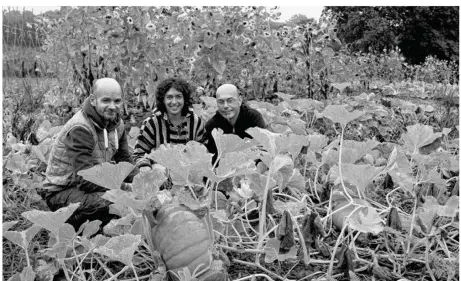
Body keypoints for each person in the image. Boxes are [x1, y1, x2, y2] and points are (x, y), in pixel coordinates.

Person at [41, 78, 135, 231]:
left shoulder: (117, 124)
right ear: (93, 100)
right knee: (115, 202)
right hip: (63, 192)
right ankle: (78, 227)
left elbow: (124, 160)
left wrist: (143, 182)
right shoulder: (80, 128)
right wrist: (126, 188)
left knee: (128, 200)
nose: (112, 106)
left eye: (117, 101)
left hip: (92, 185)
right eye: (106, 100)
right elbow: (85, 180)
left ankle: (103, 225)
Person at [133, 77, 205, 172]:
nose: (174, 102)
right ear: (163, 100)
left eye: (178, 96)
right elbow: (139, 154)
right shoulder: (152, 123)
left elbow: (203, 152)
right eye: (169, 97)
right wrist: (145, 167)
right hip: (161, 176)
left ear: (185, 99)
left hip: (188, 175)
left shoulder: (196, 122)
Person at [204, 83, 267, 157]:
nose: (225, 106)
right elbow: (212, 157)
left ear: (239, 100)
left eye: (230, 101)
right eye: (221, 102)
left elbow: (262, 150)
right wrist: (247, 150)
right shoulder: (212, 126)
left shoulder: (253, 118)